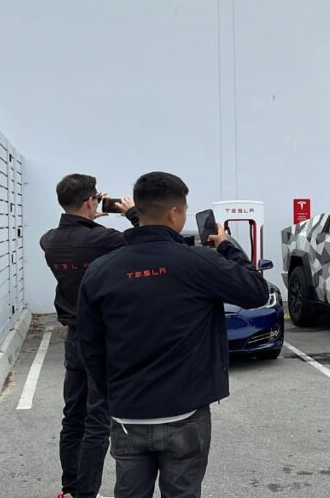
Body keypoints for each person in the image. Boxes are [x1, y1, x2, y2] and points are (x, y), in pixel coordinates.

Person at [77, 171, 269, 497]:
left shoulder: (100, 271)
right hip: (186, 413)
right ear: (175, 213)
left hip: (128, 414)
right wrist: (227, 246)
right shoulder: (199, 262)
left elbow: (90, 347)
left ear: (139, 208)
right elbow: (256, 291)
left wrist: (113, 396)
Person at [40, 173, 137, 498]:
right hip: (101, 339)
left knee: (73, 417)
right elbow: (148, 239)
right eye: (95, 198)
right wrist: (129, 213)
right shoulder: (106, 239)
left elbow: (76, 235)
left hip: (73, 338)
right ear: (89, 202)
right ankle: (85, 493)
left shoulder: (49, 240)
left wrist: (89, 216)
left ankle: (70, 489)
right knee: (97, 421)